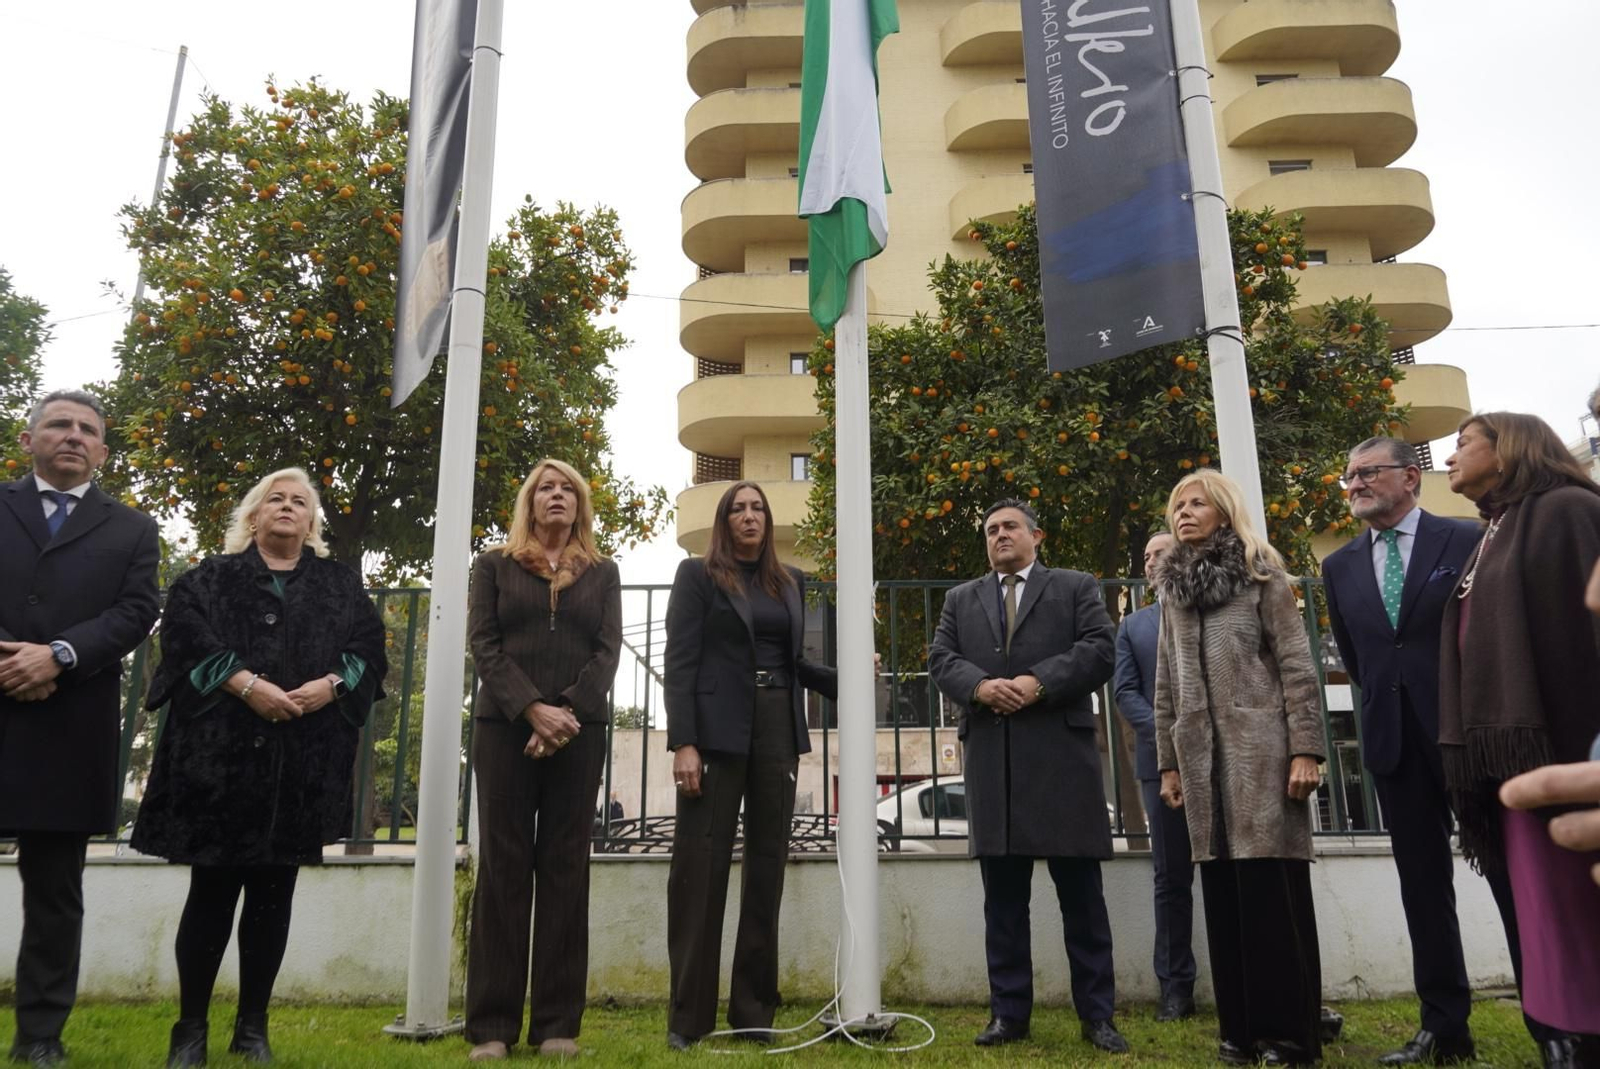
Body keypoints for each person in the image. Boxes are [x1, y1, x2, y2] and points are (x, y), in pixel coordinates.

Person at [132, 467, 385, 1067]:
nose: (289, 507)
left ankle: (253, 1029)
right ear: (253, 514)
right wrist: (247, 686)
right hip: (216, 763)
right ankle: (189, 1030)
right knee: (210, 894)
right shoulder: (209, 579)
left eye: (301, 502)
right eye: (277, 498)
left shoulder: (340, 586)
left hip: (301, 765)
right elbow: (186, 643)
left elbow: (369, 650)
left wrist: (330, 684)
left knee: (274, 897)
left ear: (313, 523)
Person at [1321, 435, 1540, 1065]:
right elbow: (1362, 660)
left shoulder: (1469, 540)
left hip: (1474, 741)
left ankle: (1548, 1017)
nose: (1355, 483)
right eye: (1349, 476)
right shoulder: (1339, 567)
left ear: (1410, 477)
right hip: (1395, 745)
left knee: (1510, 875)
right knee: (1422, 886)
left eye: (1367, 472)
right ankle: (1444, 1027)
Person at [928, 498, 1128, 1054]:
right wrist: (980, 687)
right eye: (990, 530)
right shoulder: (959, 599)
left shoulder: (1074, 586)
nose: (999, 536)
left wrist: (1037, 681)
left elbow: (1100, 647)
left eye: (1009, 526)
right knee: (1004, 905)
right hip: (994, 764)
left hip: (1062, 763)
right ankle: (1008, 1016)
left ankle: (1098, 1017)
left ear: (1036, 536)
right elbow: (941, 657)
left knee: (1083, 902)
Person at [0, 390, 160, 1067]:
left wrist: (57, 655)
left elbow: (137, 609)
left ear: (102, 449)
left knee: (56, 892)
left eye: (86, 429)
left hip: (70, 724)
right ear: (29, 437)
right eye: (59, 424)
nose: (72, 436)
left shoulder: (131, 527)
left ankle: (40, 1034)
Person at [1439, 412, 1600, 1066]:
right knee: (1544, 915)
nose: (1449, 457)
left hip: (1568, 757)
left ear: (1509, 448)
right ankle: (1567, 1036)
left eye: (1462, 443)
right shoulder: (1494, 529)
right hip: (1509, 769)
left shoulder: (1568, 510)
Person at [1153, 469, 1325, 1066]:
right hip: (1200, 766)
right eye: (1177, 505)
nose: (1185, 513)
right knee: (1222, 894)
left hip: (1264, 754)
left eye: (1197, 503)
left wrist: (1307, 747)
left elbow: (1299, 666)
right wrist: (1168, 766)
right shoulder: (1169, 591)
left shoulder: (1262, 575)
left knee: (1271, 895)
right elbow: (1165, 688)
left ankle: (1292, 1034)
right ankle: (1240, 1031)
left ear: (1224, 512)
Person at [662, 481, 837, 1049]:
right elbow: (681, 659)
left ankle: (753, 1010)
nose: (748, 516)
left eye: (757, 507)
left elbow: (796, 664)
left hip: (776, 731)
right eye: (737, 509)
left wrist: (853, 676)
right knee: (700, 871)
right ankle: (689, 1019)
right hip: (713, 736)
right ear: (723, 521)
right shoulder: (697, 576)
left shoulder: (788, 582)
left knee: (767, 871)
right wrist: (683, 743)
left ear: (768, 519)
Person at [463, 458, 621, 1061]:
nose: (556, 496)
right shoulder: (494, 566)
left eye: (567, 490)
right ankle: (492, 1028)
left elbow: (608, 652)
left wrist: (566, 714)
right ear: (529, 504)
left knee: (564, 870)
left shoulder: (603, 572)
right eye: (545, 489)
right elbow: (484, 643)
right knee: (503, 871)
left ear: (580, 505)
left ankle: (558, 1023)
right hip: (504, 730)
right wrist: (532, 709)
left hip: (580, 731)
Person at [1112, 531, 1196, 1023]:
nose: (1149, 561)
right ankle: (1175, 987)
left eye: (1158, 552)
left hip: (1223, 759)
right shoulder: (1134, 626)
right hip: (1159, 765)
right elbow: (1125, 692)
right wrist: (1170, 737)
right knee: (1170, 878)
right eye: (1144, 556)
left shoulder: (1212, 608)